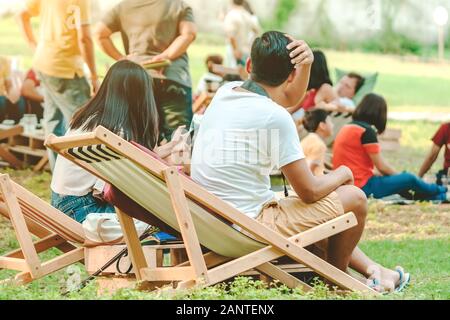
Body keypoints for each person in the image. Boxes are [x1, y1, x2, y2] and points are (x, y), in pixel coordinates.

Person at [191, 31, 408, 293]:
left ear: (249, 66)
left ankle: (376, 271)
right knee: (353, 198)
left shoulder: (225, 93)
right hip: (251, 225)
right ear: (291, 75)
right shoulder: (274, 116)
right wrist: (343, 173)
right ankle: (338, 281)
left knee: (323, 211)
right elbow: (310, 191)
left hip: (217, 221)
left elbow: (287, 100)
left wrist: (302, 66)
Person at [51, 60, 186, 224]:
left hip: (63, 203)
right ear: (140, 96)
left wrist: (171, 146)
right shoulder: (114, 133)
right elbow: (108, 191)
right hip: (84, 210)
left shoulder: (92, 119)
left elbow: (136, 156)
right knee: (167, 216)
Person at [95, 0, 197, 142]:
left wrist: (121, 58)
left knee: (140, 139)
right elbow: (189, 33)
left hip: (136, 80)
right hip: (173, 79)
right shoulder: (178, 5)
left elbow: (100, 33)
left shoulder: (124, 6)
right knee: (179, 140)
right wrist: (165, 56)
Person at [18, 0, 98, 170]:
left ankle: (59, 178)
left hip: (44, 64)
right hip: (66, 70)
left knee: (53, 121)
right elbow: (84, 38)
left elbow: (22, 15)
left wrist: (35, 46)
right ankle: (81, 179)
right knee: (84, 126)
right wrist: (93, 76)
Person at [333, 94, 447, 201]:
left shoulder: (347, 127)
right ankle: (443, 190)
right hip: (363, 187)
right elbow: (382, 167)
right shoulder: (366, 131)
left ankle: (440, 196)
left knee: (403, 187)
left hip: (347, 186)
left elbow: (357, 164)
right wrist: (400, 176)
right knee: (409, 178)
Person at [224, 0, 261, 68]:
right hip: (245, 49)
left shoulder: (231, 15)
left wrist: (235, 50)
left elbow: (231, 35)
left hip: (234, 50)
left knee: (233, 74)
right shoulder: (247, 14)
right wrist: (250, 44)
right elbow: (257, 31)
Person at [301, 109, 334, 176]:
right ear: (322, 125)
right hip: (314, 183)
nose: (333, 125)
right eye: (330, 122)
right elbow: (309, 170)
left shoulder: (309, 139)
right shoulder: (319, 145)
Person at [0, 56, 26, 123]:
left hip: (2, 95)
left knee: (20, 100)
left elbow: (8, 84)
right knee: (1, 101)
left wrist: (12, 95)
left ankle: (16, 127)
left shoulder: (3, 61)